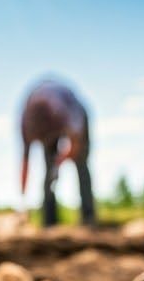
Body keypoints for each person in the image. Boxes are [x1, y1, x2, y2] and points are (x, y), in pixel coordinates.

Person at [20, 79, 95, 228]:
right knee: (49, 173)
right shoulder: (26, 125)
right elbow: (25, 164)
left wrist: (61, 159)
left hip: (74, 115)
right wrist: (22, 201)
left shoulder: (64, 114)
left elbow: (75, 143)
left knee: (81, 162)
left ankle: (88, 218)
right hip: (51, 121)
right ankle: (49, 221)